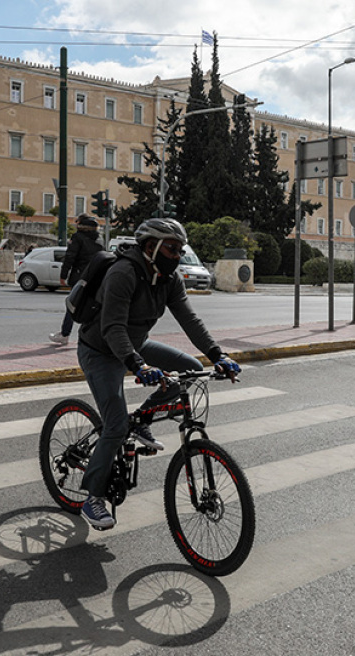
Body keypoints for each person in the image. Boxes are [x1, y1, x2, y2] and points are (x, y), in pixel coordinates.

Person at [76, 218, 240, 530]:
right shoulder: (123, 273)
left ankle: (141, 421)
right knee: (114, 425)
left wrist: (218, 355)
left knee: (190, 369)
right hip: (100, 350)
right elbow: (112, 327)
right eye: (172, 249)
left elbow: (189, 319)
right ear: (150, 247)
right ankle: (92, 498)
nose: (177, 255)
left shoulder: (169, 279)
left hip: (136, 344)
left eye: (180, 250)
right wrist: (139, 366)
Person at [50, 215, 103, 346]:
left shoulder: (78, 237)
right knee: (92, 306)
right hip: (96, 276)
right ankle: (90, 336)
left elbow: (70, 256)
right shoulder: (99, 238)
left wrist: (64, 274)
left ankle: (64, 334)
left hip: (80, 276)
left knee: (72, 303)